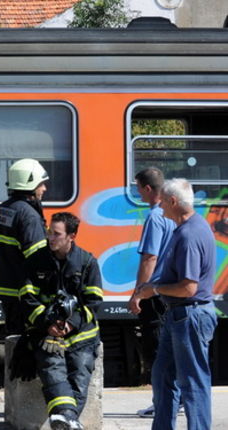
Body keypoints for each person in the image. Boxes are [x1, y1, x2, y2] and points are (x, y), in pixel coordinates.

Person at [131, 178, 217, 430]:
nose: (159, 208)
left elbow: (189, 287)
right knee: (163, 375)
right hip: (178, 316)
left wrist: (153, 289)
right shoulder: (187, 228)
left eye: (162, 203)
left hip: (189, 315)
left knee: (193, 382)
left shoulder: (189, 235)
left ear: (173, 201)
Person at [19, 212, 102, 430]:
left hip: (81, 335)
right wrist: (48, 323)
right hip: (47, 333)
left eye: (56, 234)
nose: (50, 238)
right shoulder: (35, 261)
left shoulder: (87, 262)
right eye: (49, 232)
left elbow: (93, 302)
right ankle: (68, 419)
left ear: (71, 236)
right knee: (52, 370)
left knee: (80, 374)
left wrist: (70, 323)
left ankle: (64, 419)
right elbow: (27, 298)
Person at [127, 167, 176, 418]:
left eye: (138, 188)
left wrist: (138, 293)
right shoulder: (172, 213)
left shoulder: (155, 218)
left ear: (147, 189)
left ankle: (164, 403)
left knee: (156, 349)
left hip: (154, 295)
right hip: (170, 291)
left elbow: (149, 258)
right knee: (170, 348)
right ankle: (174, 400)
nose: (137, 193)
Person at [0, 158, 51, 335]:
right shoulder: (29, 215)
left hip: (6, 289)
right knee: (28, 343)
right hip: (24, 293)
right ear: (30, 184)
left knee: (13, 338)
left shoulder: (1, 210)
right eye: (41, 184)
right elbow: (38, 258)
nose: (44, 189)